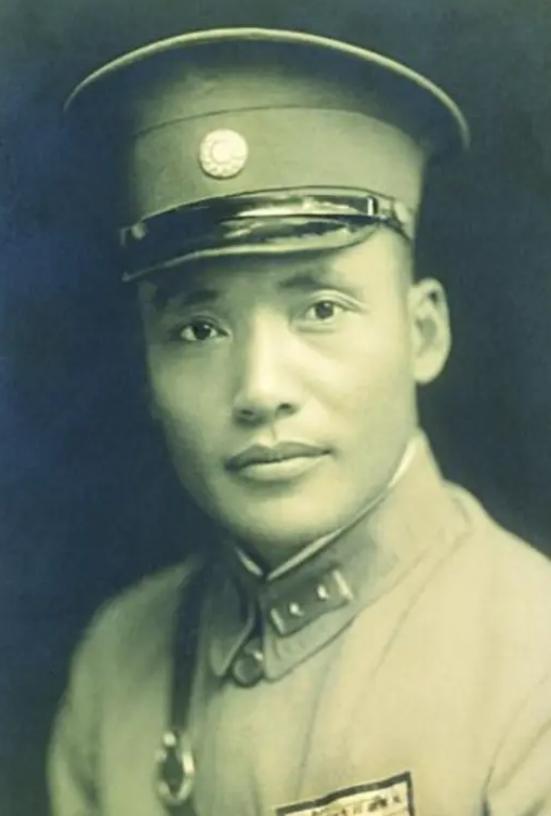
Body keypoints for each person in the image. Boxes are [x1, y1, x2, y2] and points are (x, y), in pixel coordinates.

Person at [49, 27, 551, 816]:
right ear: (147, 368)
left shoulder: (530, 666)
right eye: (198, 329)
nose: (259, 388)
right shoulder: (117, 666)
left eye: (320, 308)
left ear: (422, 333)